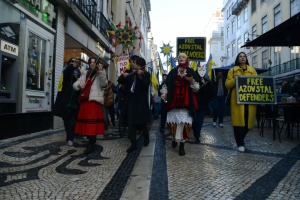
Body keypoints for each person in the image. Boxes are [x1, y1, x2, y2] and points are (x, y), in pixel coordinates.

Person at [161, 53, 199, 156]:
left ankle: (182, 145)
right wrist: (164, 94)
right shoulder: (173, 72)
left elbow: (197, 88)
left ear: (187, 59)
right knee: (173, 123)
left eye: (183, 57)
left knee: (184, 124)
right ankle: (174, 138)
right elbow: (166, 85)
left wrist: (191, 81)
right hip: (174, 100)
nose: (181, 58)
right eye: (179, 57)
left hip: (186, 102)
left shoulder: (191, 72)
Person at [73, 57, 108, 154]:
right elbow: (75, 84)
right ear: (88, 64)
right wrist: (79, 86)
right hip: (85, 101)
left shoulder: (100, 73)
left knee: (92, 124)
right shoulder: (85, 73)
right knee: (87, 124)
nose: (93, 64)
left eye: (94, 62)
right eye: (91, 62)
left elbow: (104, 83)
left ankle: (91, 144)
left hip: (94, 102)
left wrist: (101, 71)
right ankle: (90, 141)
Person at [225, 52, 258, 153]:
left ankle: (241, 140)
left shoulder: (252, 70)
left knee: (248, 122)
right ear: (238, 58)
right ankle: (240, 143)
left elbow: (258, 84)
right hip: (237, 101)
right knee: (238, 123)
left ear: (246, 58)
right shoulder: (232, 70)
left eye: (244, 56)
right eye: (240, 56)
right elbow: (227, 85)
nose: (243, 58)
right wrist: (235, 79)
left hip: (250, 100)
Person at [117, 57, 151, 153]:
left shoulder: (146, 74)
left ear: (139, 65)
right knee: (131, 123)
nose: (132, 64)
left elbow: (145, 87)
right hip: (131, 101)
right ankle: (133, 143)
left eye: (134, 63)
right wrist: (124, 75)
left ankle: (146, 138)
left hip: (141, 102)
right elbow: (120, 81)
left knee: (142, 122)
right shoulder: (131, 73)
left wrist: (140, 77)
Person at [53, 57, 81, 146]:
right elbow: (67, 74)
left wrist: (77, 79)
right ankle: (69, 136)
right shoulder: (66, 71)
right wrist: (72, 66)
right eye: (72, 61)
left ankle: (70, 138)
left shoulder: (79, 73)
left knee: (72, 120)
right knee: (66, 119)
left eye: (75, 62)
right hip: (65, 100)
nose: (73, 63)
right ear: (69, 63)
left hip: (75, 100)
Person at [192, 75, 214, 144]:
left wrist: (204, 84)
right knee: (194, 122)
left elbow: (211, 92)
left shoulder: (207, 85)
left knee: (199, 122)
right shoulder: (193, 85)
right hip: (194, 106)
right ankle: (196, 134)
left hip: (202, 107)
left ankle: (197, 136)